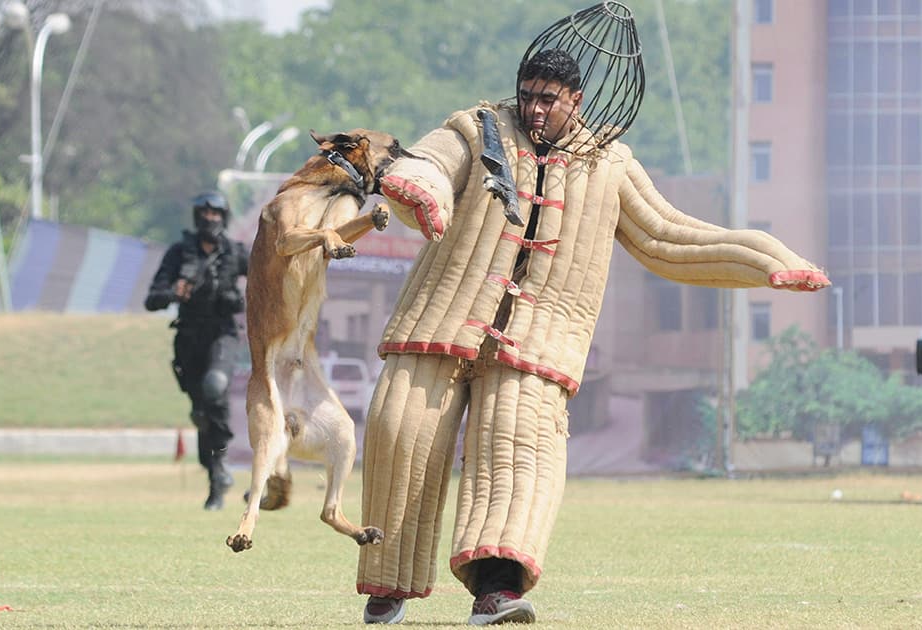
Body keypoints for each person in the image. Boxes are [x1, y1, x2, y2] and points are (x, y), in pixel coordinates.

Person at [357, 45, 828, 625]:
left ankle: (496, 592)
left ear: (574, 100)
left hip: (537, 343)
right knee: (398, 433)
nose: (534, 109)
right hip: (437, 322)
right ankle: (389, 586)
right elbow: (425, 163)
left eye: (547, 100)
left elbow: (668, 236)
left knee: (520, 455)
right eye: (527, 95)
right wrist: (417, 189)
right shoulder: (476, 129)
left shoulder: (610, 164)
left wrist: (767, 261)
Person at [145, 191, 249, 510]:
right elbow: (152, 299)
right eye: (205, 214)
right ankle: (215, 473)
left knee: (215, 387)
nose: (210, 220)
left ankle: (219, 475)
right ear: (196, 218)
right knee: (202, 412)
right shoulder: (178, 253)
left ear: (225, 218)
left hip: (224, 335)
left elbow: (267, 275)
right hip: (189, 339)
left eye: (216, 214)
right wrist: (173, 293)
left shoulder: (236, 253)